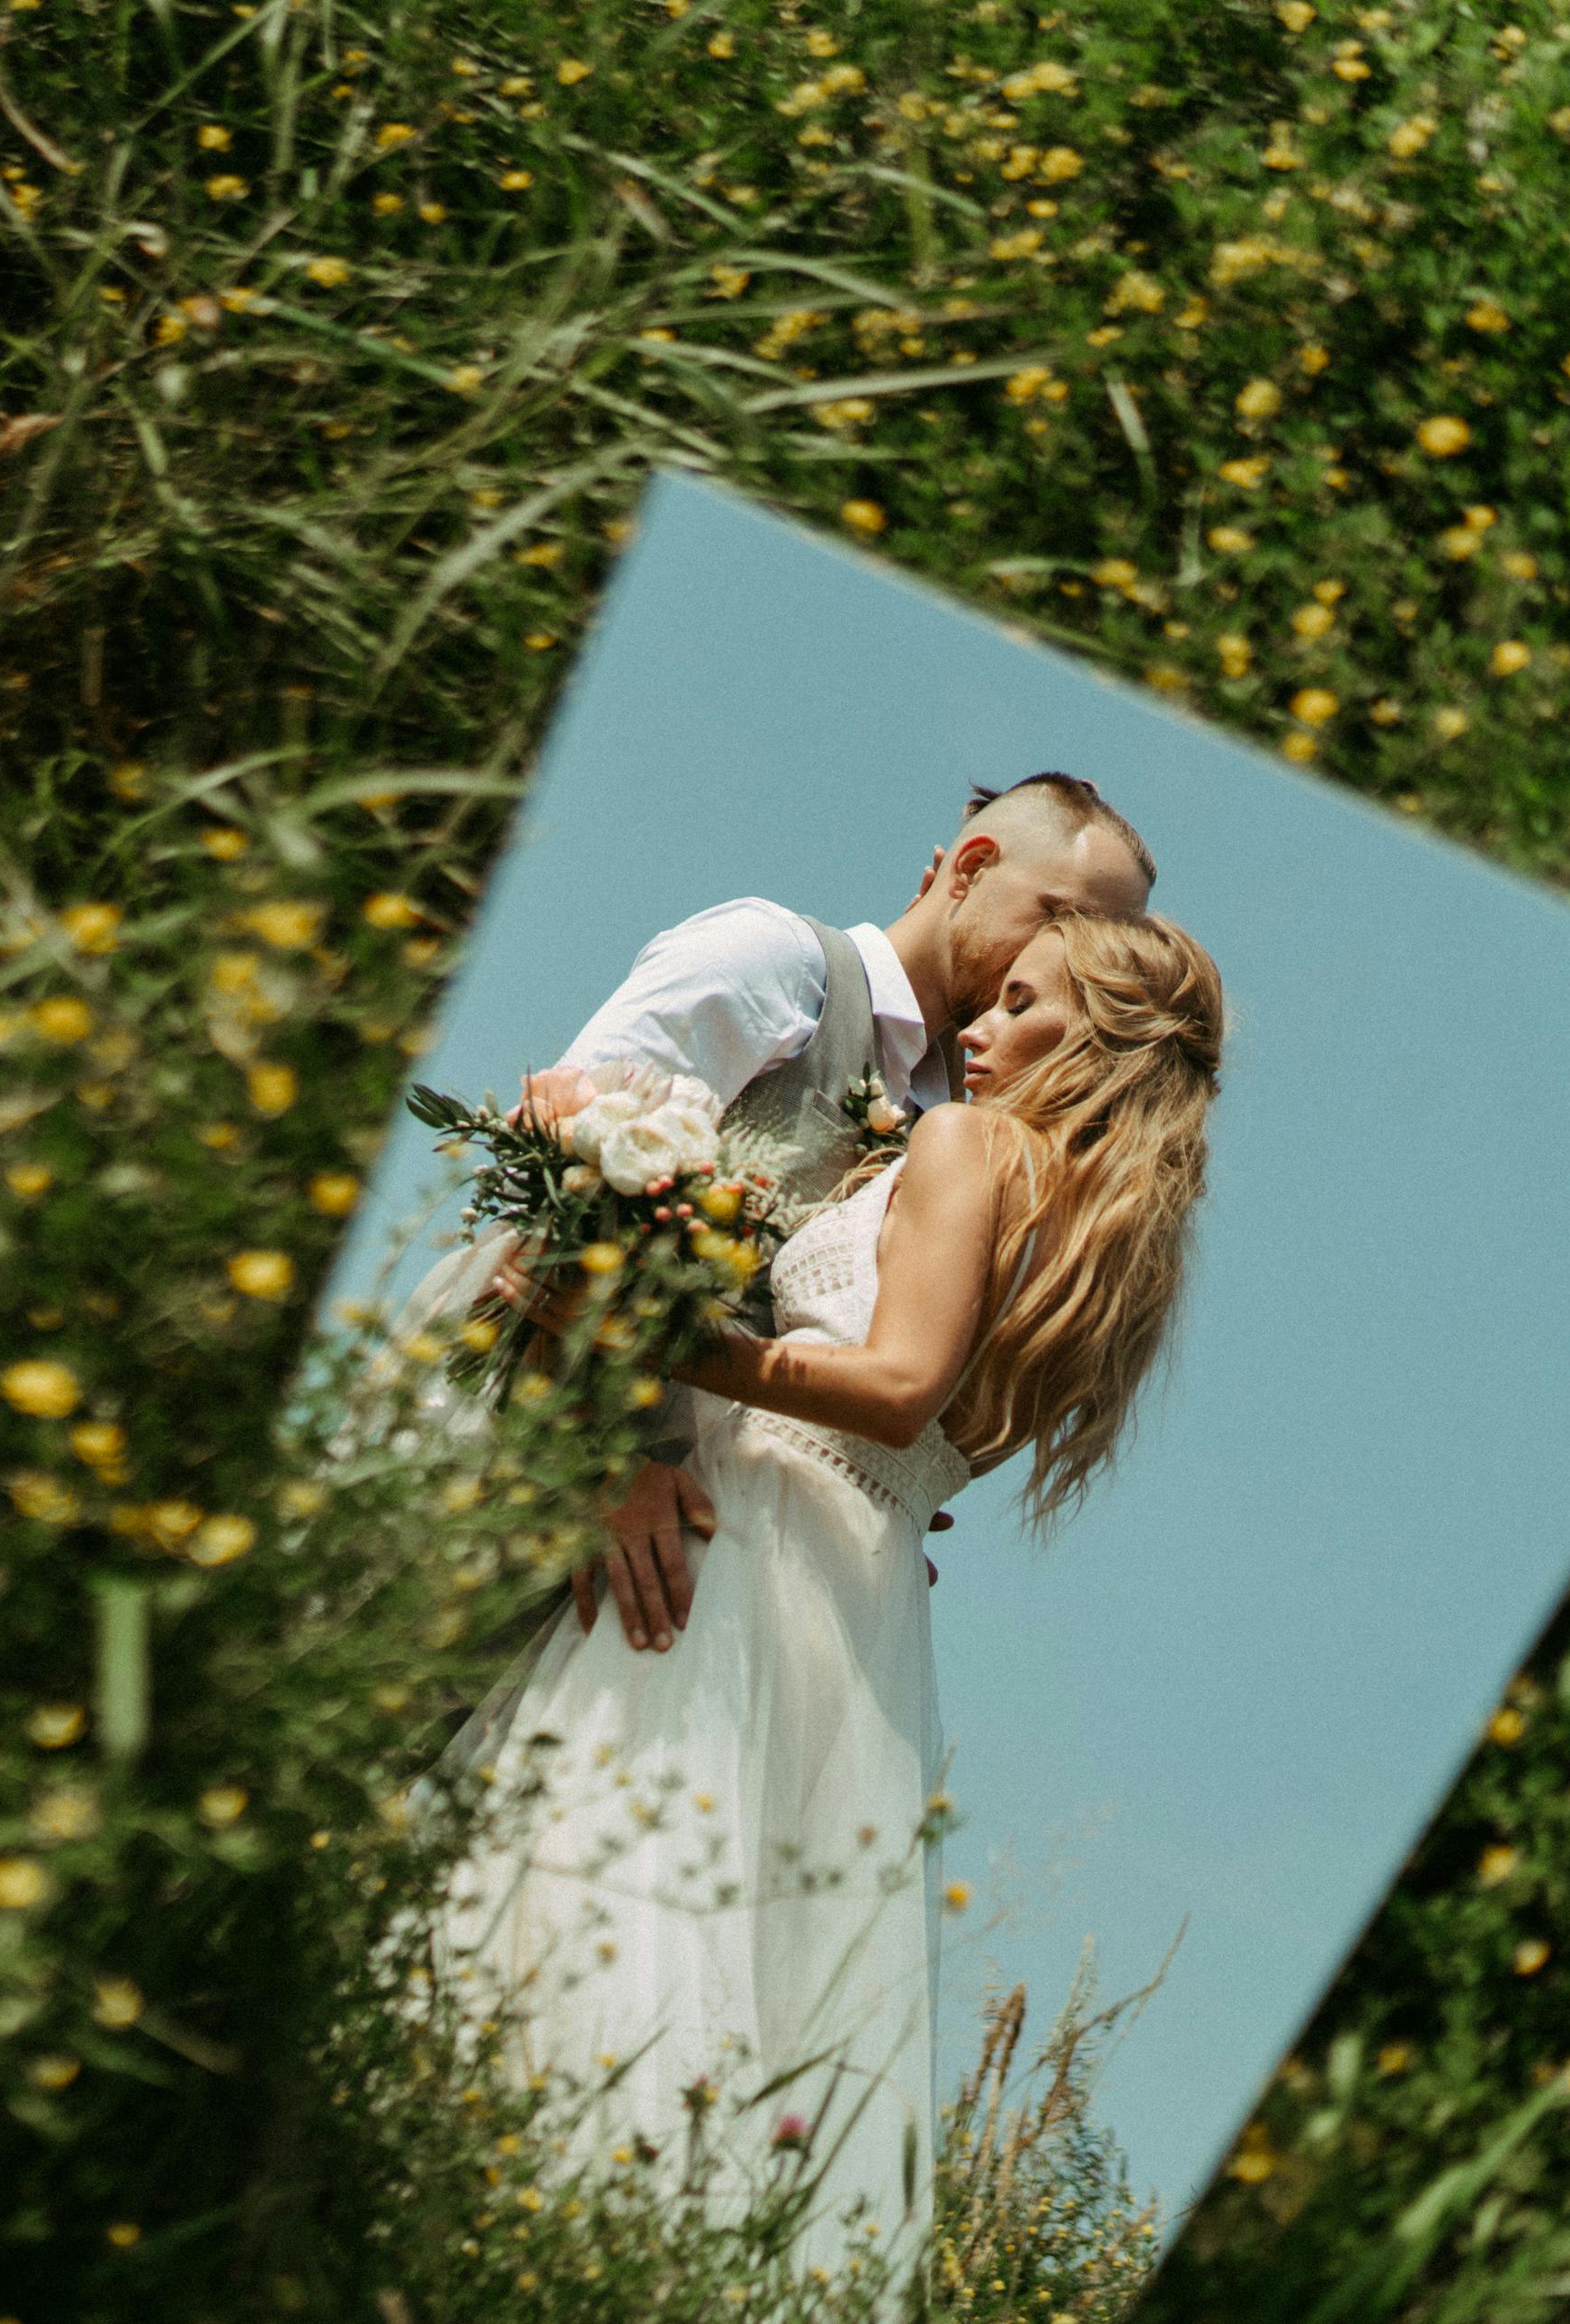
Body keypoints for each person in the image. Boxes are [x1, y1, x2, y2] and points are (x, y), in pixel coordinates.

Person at [418, 902, 1227, 2307]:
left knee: (613, 1876)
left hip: (760, 1529)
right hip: (865, 1609)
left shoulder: (971, 1146)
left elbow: (898, 1386)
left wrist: (669, 1336)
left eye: (1021, 1004)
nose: (976, 1029)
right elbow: (935, 1449)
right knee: (759, 1957)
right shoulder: (1116, 1259)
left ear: (1092, 1039)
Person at [520, 773, 1158, 1656]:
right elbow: (552, 1179)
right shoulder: (777, 964)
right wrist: (605, 1461)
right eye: (1060, 919)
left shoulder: (963, 1126)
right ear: (970, 866)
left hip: (699, 1583)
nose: (1072, 959)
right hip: (528, 1466)